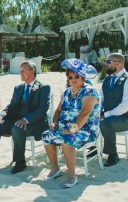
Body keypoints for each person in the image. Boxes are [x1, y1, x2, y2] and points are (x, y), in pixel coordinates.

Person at [0, 61, 50, 174]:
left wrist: (26, 119)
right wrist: (0, 115)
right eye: (20, 71)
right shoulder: (18, 88)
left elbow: (42, 109)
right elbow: (11, 106)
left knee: (17, 128)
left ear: (32, 71)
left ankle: (20, 162)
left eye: (23, 70)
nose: (20, 73)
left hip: (33, 123)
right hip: (16, 121)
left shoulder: (43, 87)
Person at [42, 58, 99, 188]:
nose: (73, 79)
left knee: (66, 139)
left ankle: (72, 176)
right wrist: (54, 123)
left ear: (83, 77)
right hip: (65, 126)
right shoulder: (67, 92)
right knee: (46, 135)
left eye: (77, 76)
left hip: (86, 130)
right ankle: (55, 169)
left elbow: (85, 113)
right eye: (70, 76)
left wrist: (73, 129)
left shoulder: (89, 91)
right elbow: (58, 110)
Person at [99, 53, 128, 167]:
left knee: (105, 122)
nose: (105, 65)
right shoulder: (107, 80)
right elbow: (100, 99)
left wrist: (105, 115)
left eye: (108, 62)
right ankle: (94, 149)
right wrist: (96, 112)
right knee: (89, 118)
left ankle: (113, 155)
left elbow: (125, 106)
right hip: (109, 116)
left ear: (117, 64)